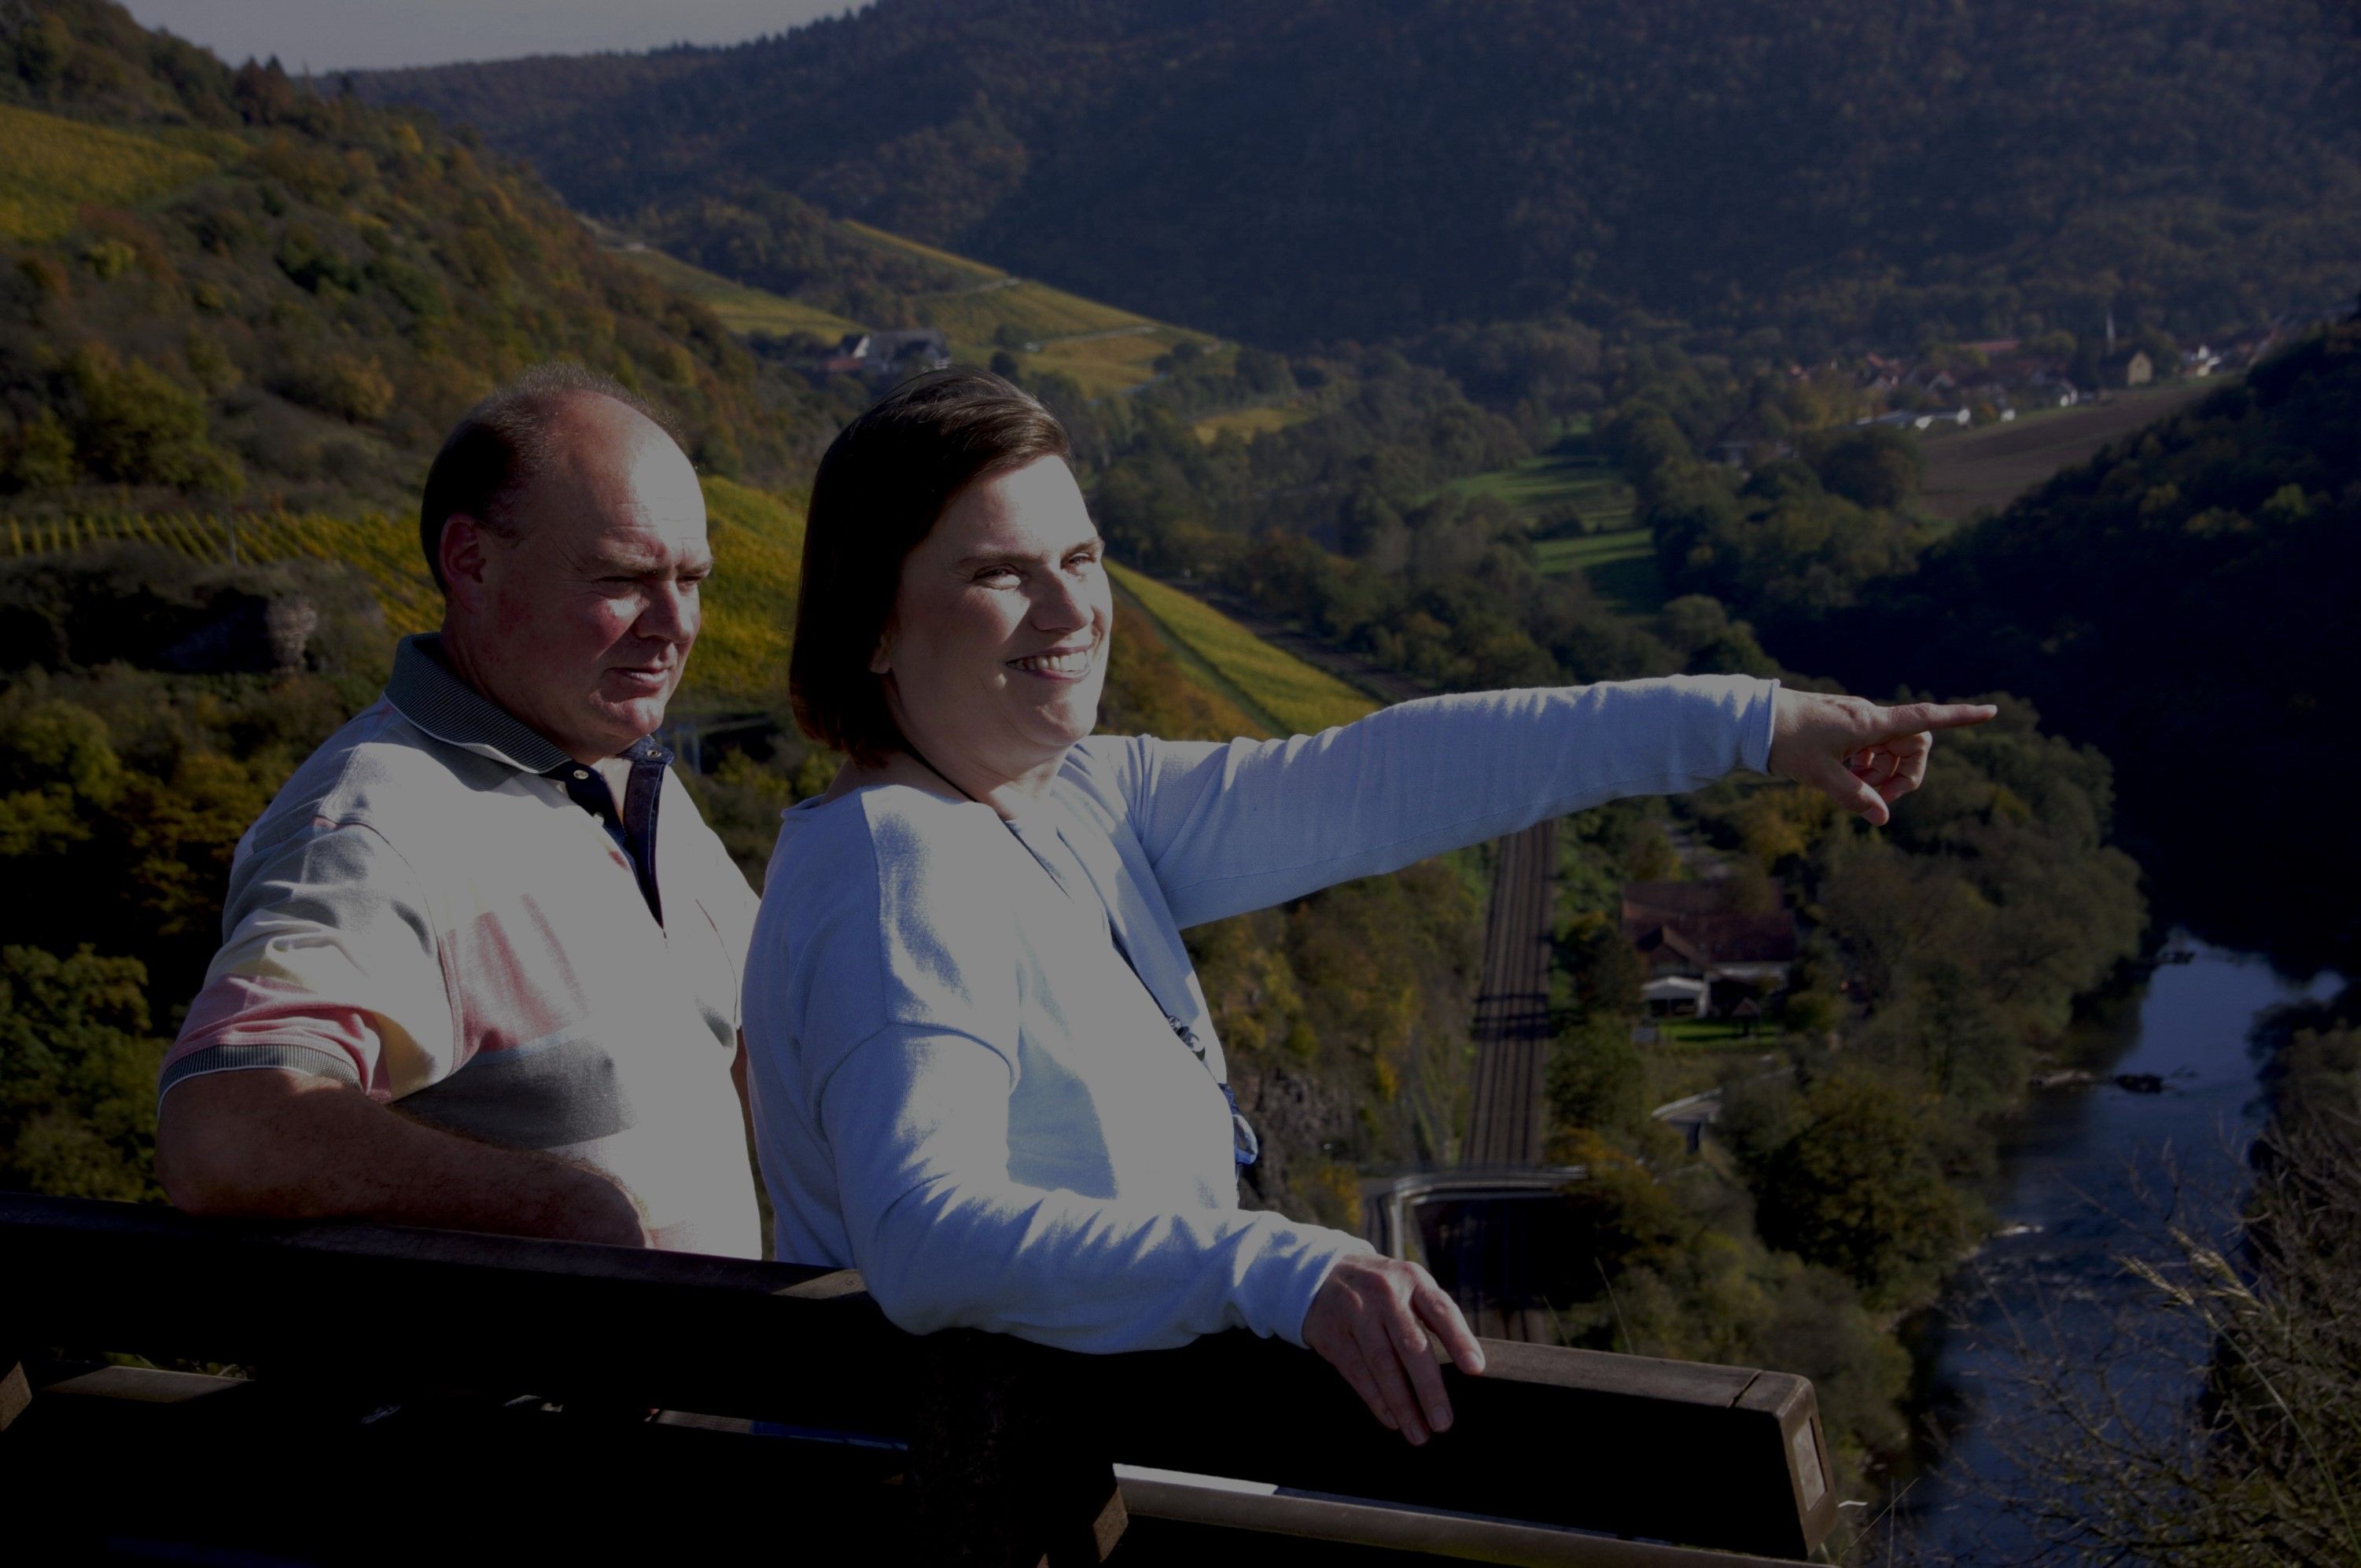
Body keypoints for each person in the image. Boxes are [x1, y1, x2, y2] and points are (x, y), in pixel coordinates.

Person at [742, 369, 1993, 1443]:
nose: (1073, 611)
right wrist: (1273, 1262)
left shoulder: (1070, 800)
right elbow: (924, 1232)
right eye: (998, 575)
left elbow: (1394, 775)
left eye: (1081, 557)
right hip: (967, 1510)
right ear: (873, 625)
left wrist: (1754, 722)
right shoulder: (894, 869)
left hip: (1049, 1473)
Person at [153, 363, 764, 1258]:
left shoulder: (626, 767)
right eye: (623, 578)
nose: (675, 621)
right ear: (470, 564)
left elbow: (748, 1041)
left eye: (693, 577)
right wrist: (573, 1215)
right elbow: (227, 1128)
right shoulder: (373, 828)